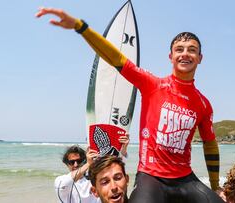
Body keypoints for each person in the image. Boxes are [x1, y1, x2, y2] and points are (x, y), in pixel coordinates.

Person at [36, 7, 223, 203]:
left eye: (192, 50)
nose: (185, 54)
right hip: (151, 176)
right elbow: (115, 58)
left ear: (200, 58)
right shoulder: (153, 85)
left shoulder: (203, 104)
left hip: (185, 178)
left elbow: (210, 143)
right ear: (171, 56)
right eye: (179, 49)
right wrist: (80, 26)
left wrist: (215, 185)